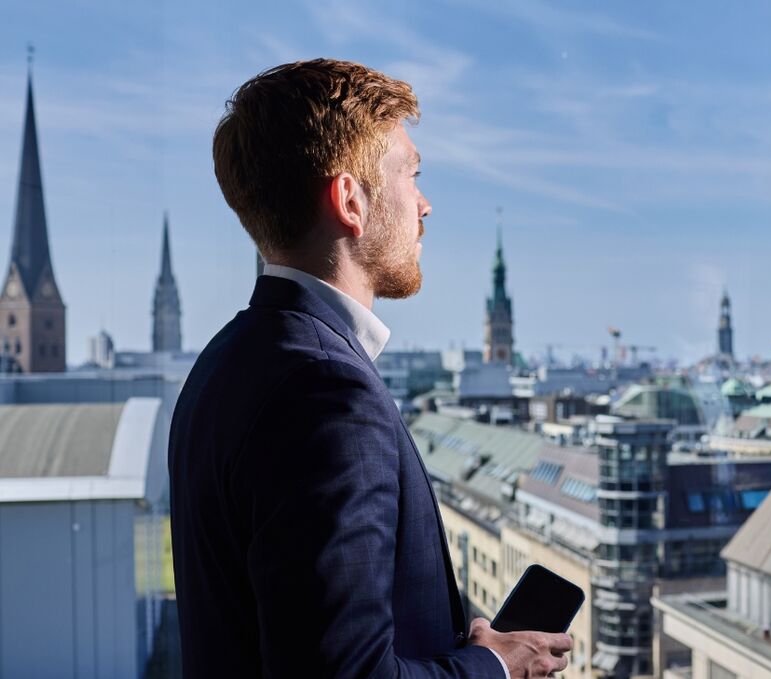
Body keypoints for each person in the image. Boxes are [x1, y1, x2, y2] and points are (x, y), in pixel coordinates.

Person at [168, 59, 571, 678]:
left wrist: (457, 641)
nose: (426, 205)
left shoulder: (229, 358)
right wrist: (494, 668)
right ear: (351, 200)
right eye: (411, 175)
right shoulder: (326, 393)